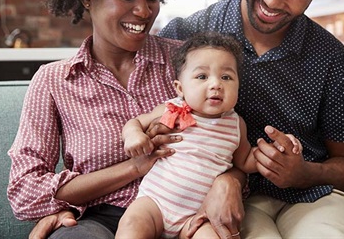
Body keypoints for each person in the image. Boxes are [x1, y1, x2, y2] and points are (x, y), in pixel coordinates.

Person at [158, 0, 344, 238]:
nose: (272, 0)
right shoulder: (183, 36)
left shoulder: (332, 59)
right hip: (212, 198)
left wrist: (303, 173)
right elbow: (151, 130)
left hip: (311, 198)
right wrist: (227, 176)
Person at [7, 0, 192, 238]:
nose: (144, 11)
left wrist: (229, 183)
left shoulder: (185, 62)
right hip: (101, 219)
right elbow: (25, 191)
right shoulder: (54, 81)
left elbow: (227, 138)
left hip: (184, 212)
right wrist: (133, 168)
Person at [115, 32, 302, 239]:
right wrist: (133, 135)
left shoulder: (235, 124)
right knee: (132, 224)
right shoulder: (172, 108)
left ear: (238, 85)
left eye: (226, 77)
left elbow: (245, 161)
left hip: (199, 216)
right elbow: (136, 122)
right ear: (180, 88)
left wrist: (276, 149)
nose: (216, 84)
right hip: (155, 204)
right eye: (202, 77)